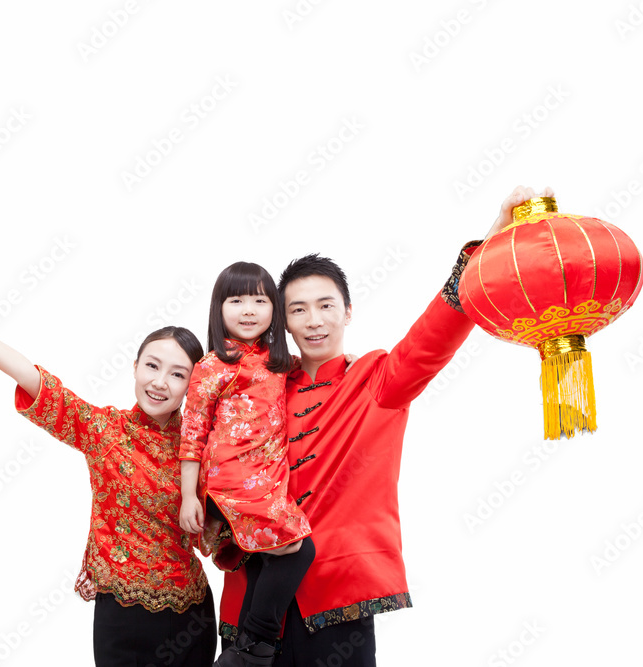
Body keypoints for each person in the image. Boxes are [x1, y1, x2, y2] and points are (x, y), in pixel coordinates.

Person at [217, 186, 554, 666]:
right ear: (284, 324)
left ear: (348, 312)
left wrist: (490, 240)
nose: (314, 320)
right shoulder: (258, 388)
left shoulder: (377, 381)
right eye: (298, 309)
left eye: (326, 305)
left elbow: (433, 335)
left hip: (336, 603)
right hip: (251, 601)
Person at [0, 305, 216, 667]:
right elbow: (33, 379)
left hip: (194, 614)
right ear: (135, 367)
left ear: (192, 386)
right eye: (152, 365)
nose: (160, 381)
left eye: (178, 374)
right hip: (125, 616)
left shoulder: (202, 445)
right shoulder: (103, 430)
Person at [177, 262, 316, 666]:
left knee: (267, 559)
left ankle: (242, 650)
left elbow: (310, 368)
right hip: (232, 479)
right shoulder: (212, 366)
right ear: (218, 309)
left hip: (265, 480)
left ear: (274, 308)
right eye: (236, 300)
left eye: (259, 299)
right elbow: (193, 435)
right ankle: (258, 644)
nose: (249, 309)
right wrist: (190, 496)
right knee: (297, 548)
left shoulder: (279, 361)